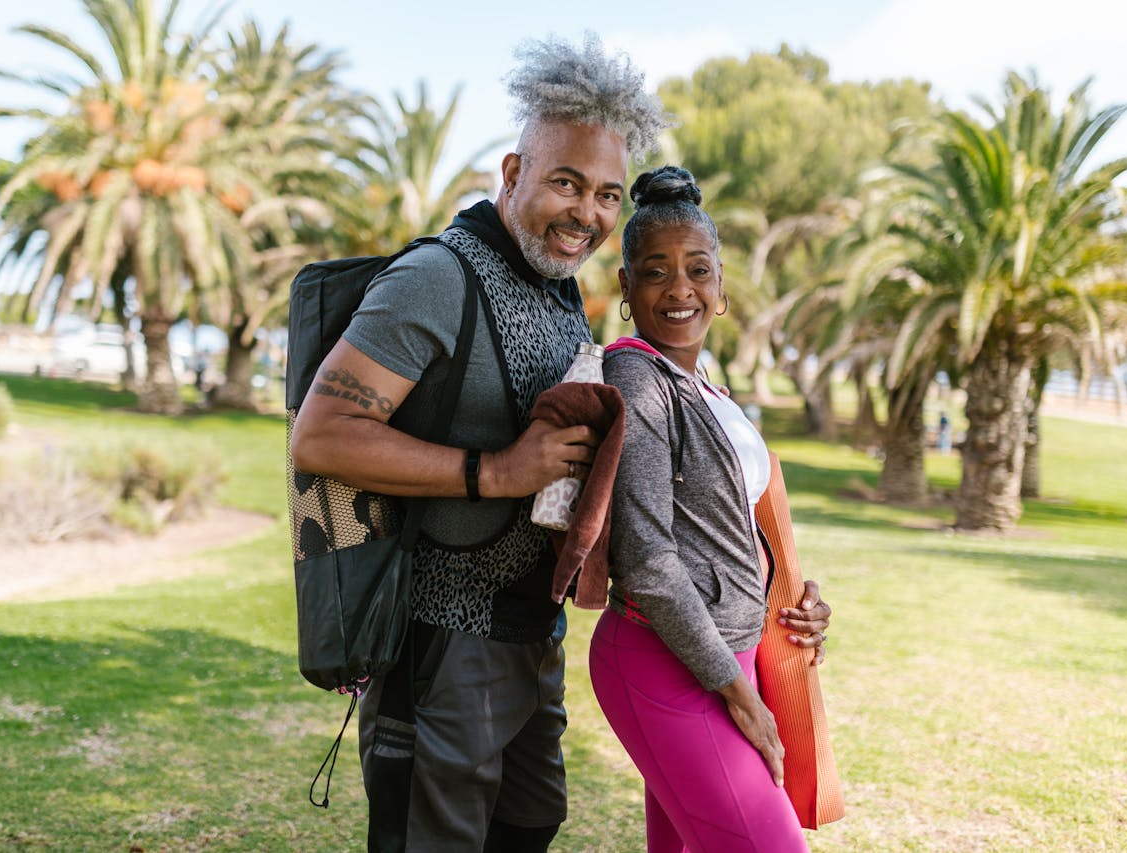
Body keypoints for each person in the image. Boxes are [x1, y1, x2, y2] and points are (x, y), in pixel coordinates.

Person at [289, 34, 669, 852]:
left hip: (532, 639)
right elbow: (319, 436)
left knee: (530, 825)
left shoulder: (560, 291)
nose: (588, 214)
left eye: (608, 195)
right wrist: (493, 471)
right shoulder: (439, 277)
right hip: (440, 641)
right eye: (566, 182)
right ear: (512, 173)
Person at [589, 166, 833, 852]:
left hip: (730, 655)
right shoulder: (637, 378)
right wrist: (737, 694)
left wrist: (795, 596)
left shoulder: (710, 393)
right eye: (656, 270)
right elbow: (648, 558)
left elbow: (741, 525)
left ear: (721, 289)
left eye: (698, 268)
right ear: (627, 288)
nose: (680, 287)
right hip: (663, 659)